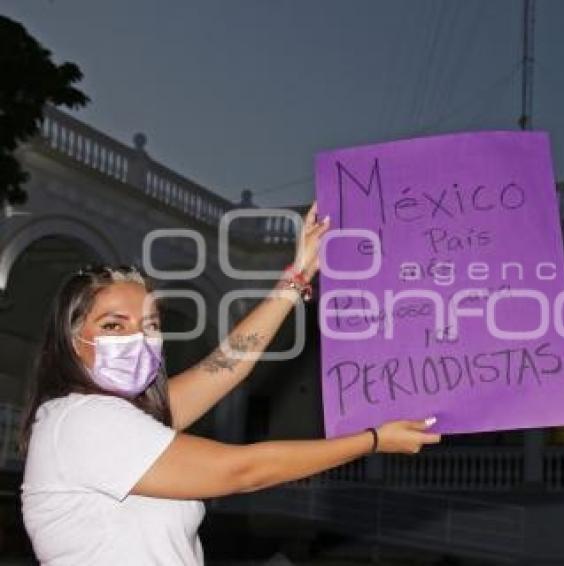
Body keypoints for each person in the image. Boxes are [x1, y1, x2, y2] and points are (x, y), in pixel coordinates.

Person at [18, 201, 441, 565]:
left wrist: (296, 277)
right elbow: (244, 471)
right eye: (114, 325)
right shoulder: (82, 421)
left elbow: (227, 365)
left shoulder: (126, 419)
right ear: (74, 340)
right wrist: (370, 440)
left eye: (149, 324)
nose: (137, 338)